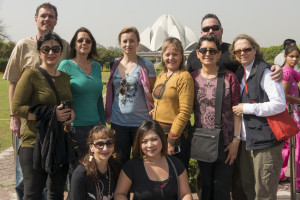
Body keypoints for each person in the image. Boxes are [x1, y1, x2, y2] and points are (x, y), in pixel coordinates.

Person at [187, 13, 283, 200]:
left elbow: (255, 65)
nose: (211, 31)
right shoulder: (192, 62)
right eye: (206, 29)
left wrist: (273, 67)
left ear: (221, 31)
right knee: (209, 184)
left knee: (237, 184)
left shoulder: (231, 54)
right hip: (205, 138)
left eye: (214, 28)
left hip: (235, 136)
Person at [3, 3, 70, 199]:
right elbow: (13, 83)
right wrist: (14, 117)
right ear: (36, 19)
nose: (47, 19)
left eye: (51, 16)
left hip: (56, 133)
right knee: (26, 180)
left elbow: (65, 81)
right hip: (29, 127)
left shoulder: (65, 46)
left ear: (56, 20)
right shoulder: (23, 46)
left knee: (54, 186)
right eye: (43, 16)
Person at [11, 31, 75, 200]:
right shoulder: (31, 75)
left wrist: (70, 114)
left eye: (55, 49)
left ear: (61, 52)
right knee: (33, 193)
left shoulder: (65, 78)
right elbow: (17, 108)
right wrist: (52, 114)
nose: (51, 53)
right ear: (39, 53)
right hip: (34, 142)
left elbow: (66, 103)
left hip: (58, 142)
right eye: (46, 49)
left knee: (56, 194)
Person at [231, 34, 286, 200]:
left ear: (255, 49)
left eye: (247, 49)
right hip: (247, 142)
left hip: (266, 143)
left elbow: (279, 104)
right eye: (238, 50)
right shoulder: (240, 72)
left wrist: (247, 108)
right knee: (250, 190)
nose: (242, 53)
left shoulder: (266, 72)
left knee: (264, 193)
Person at [191, 35, 241, 200]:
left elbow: (236, 111)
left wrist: (236, 140)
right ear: (198, 53)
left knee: (222, 188)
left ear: (219, 54)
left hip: (226, 142)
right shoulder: (192, 78)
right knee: (206, 187)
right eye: (204, 50)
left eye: (212, 50)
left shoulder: (229, 77)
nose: (208, 54)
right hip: (203, 141)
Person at [105, 27, 156, 167]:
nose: (128, 44)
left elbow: (151, 93)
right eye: (125, 41)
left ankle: (140, 190)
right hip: (118, 122)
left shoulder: (146, 65)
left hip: (140, 123)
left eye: (132, 41)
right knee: (119, 163)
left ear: (138, 42)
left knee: (142, 163)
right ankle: (122, 190)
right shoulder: (114, 63)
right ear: (120, 43)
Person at [114, 120, 193, 200]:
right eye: (144, 141)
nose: (150, 145)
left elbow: (185, 194)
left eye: (154, 139)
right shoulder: (131, 166)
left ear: (162, 138)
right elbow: (120, 194)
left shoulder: (176, 164)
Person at [151, 37, 194, 170]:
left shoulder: (184, 77)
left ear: (182, 56)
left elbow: (185, 112)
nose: (171, 58)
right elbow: (161, 99)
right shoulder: (162, 75)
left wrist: (172, 140)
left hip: (175, 135)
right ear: (162, 56)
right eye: (167, 54)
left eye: (175, 54)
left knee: (176, 174)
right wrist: (157, 110)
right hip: (158, 132)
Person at [68, 125, 119, 200]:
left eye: (109, 143)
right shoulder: (80, 174)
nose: (105, 148)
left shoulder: (114, 168)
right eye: (100, 144)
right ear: (91, 147)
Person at [280, 46, 300, 189]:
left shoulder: (291, 72)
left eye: (297, 57)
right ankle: (297, 181)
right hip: (290, 112)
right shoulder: (286, 73)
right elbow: (284, 95)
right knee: (296, 147)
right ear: (285, 56)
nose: (294, 59)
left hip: (293, 112)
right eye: (291, 56)